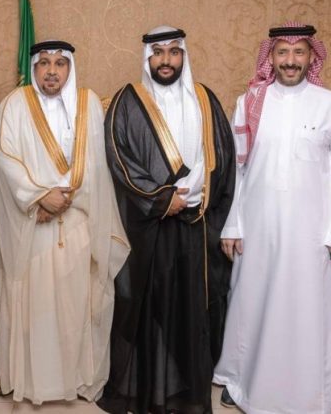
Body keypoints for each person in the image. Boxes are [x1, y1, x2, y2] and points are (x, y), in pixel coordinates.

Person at [211, 22, 331, 413]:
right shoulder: (250, 101)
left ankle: (308, 396)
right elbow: (238, 171)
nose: (290, 60)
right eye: (282, 52)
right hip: (258, 225)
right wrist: (233, 224)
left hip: (312, 231)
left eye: (298, 52)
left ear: (311, 56)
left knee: (306, 311)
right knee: (251, 303)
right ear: (271, 56)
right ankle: (242, 381)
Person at [98, 26, 236, 414]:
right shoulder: (127, 100)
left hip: (196, 222)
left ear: (183, 57)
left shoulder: (205, 99)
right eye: (158, 53)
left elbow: (222, 154)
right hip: (150, 225)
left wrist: (194, 194)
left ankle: (185, 388)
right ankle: (149, 387)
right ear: (147, 58)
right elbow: (119, 157)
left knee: (191, 306)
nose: (166, 60)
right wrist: (162, 198)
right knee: (150, 303)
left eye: (174, 52)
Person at [0, 40, 129, 404]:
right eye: (44, 63)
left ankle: (78, 379)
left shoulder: (88, 103)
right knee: (37, 307)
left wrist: (62, 200)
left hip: (79, 220)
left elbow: (99, 163)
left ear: (70, 68)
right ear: (34, 68)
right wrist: (39, 197)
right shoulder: (14, 104)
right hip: (32, 223)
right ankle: (36, 384)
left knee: (75, 305)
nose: (52, 71)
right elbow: (4, 156)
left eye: (60, 64)